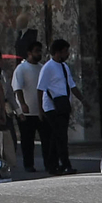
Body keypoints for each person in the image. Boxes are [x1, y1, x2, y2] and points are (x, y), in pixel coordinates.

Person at [38, 39, 78, 176]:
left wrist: (83, 100)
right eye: (65, 51)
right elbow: (40, 88)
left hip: (63, 106)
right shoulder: (48, 67)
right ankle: (65, 164)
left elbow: (71, 85)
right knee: (60, 137)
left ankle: (53, 165)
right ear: (57, 52)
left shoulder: (64, 67)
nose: (67, 54)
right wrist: (40, 109)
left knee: (57, 138)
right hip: (52, 107)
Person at [9, 37, 44, 173]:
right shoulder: (21, 68)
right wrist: (22, 105)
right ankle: (28, 164)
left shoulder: (42, 68)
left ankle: (49, 163)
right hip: (27, 112)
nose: (39, 54)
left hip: (40, 110)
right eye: (36, 51)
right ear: (29, 53)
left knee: (45, 138)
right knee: (27, 141)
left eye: (40, 51)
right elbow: (17, 88)